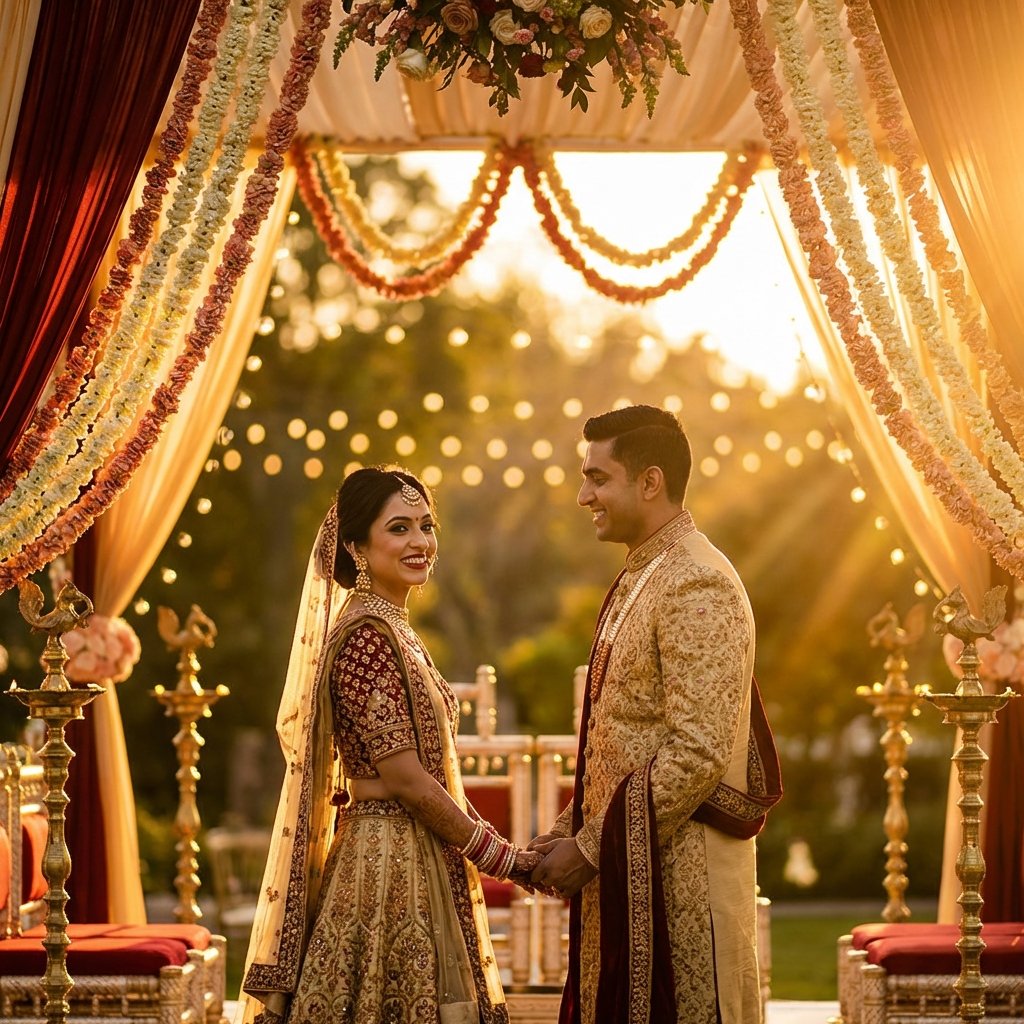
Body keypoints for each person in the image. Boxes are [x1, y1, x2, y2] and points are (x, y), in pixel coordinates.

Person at [237, 466, 539, 1024]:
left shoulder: (392, 628)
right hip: (386, 863)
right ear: (355, 544)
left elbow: (428, 771)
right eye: (399, 528)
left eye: (426, 526)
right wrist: (502, 858)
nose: (421, 542)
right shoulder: (367, 639)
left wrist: (501, 850)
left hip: (411, 848)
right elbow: (405, 778)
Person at [530, 405, 781, 1024]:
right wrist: (570, 827)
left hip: (682, 883)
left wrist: (589, 848)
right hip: (636, 868)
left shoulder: (697, 581)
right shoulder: (646, 574)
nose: (583, 495)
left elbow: (696, 750)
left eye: (598, 478)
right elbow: (626, 738)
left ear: (650, 481)